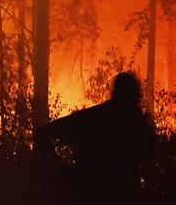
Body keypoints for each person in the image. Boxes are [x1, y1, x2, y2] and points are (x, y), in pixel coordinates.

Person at [34, 72, 155, 204]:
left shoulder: (91, 118)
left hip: (89, 193)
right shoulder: (138, 125)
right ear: (136, 96)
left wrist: (62, 172)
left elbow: (44, 133)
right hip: (123, 195)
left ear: (115, 92)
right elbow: (150, 153)